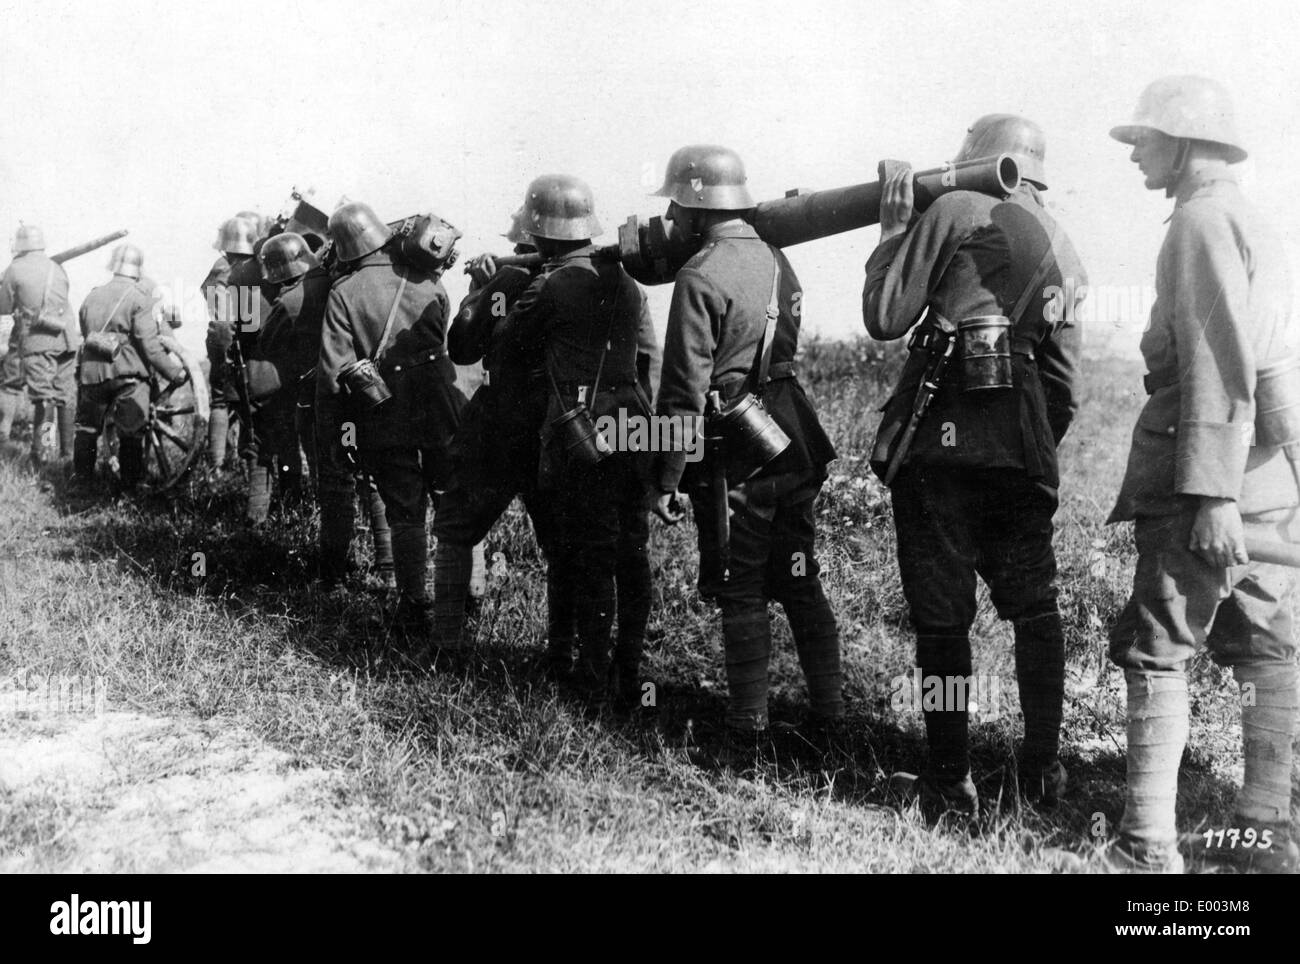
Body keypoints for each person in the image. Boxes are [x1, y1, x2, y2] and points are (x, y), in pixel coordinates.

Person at [861, 116, 1084, 818]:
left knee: (942, 619)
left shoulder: (954, 208)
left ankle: (948, 776)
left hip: (941, 448)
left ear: (974, 162)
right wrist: (1026, 444)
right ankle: (1043, 766)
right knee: (1035, 606)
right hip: (1020, 450)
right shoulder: (1066, 249)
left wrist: (893, 229)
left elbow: (885, 314)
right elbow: (1066, 388)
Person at [1103, 76, 1299, 874]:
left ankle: (1146, 845)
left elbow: (1222, 367)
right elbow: (1277, 369)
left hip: (1205, 487)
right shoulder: (1252, 219)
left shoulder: (1199, 222)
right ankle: (1267, 830)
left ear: (1184, 142)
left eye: (1145, 139)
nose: (1136, 153)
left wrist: (1211, 495)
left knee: (1159, 651)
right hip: (1265, 490)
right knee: (1268, 651)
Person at [651, 145, 842, 756]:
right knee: (799, 576)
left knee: (741, 585)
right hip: (794, 436)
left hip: (742, 451)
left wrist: (665, 479)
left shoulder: (700, 274)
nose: (673, 218)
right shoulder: (779, 260)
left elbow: (682, 392)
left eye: (676, 205)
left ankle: (745, 728)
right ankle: (831, 713)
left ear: (694, 205)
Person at [318, 201, 463, 647]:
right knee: (453, 501)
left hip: (384, 414)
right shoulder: (428, 282)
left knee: (404, 512)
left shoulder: (343, 292)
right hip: (439, 406)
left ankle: (413, 602)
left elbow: (334, 373)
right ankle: (466, 594)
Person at [72, 243, 186, 487]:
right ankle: (129, 490)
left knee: (87, 430)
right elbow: (150, 346)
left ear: (113, 267)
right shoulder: (139, 299)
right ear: (137, 270)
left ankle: (81, 485)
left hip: (92, 374)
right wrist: (174, 373)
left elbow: (86, 332)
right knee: (131, 433)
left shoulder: (91, 295)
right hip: (128, 377)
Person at [0, 224, 78, 465]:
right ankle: (66, 456)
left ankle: (43, 454)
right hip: (66, 339)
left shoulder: (14, 269)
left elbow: (3, 308)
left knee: (43, 399)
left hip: (37, 340)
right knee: (64, 396)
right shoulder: (57, 268)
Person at [202, 216, 258, 470]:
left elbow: (221, 320)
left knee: (220, 401)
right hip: (240, 345)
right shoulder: (251, 267)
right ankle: (231, 464)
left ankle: (216, 468)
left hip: (226, 345)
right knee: (247, 402)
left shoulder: (221, 268)